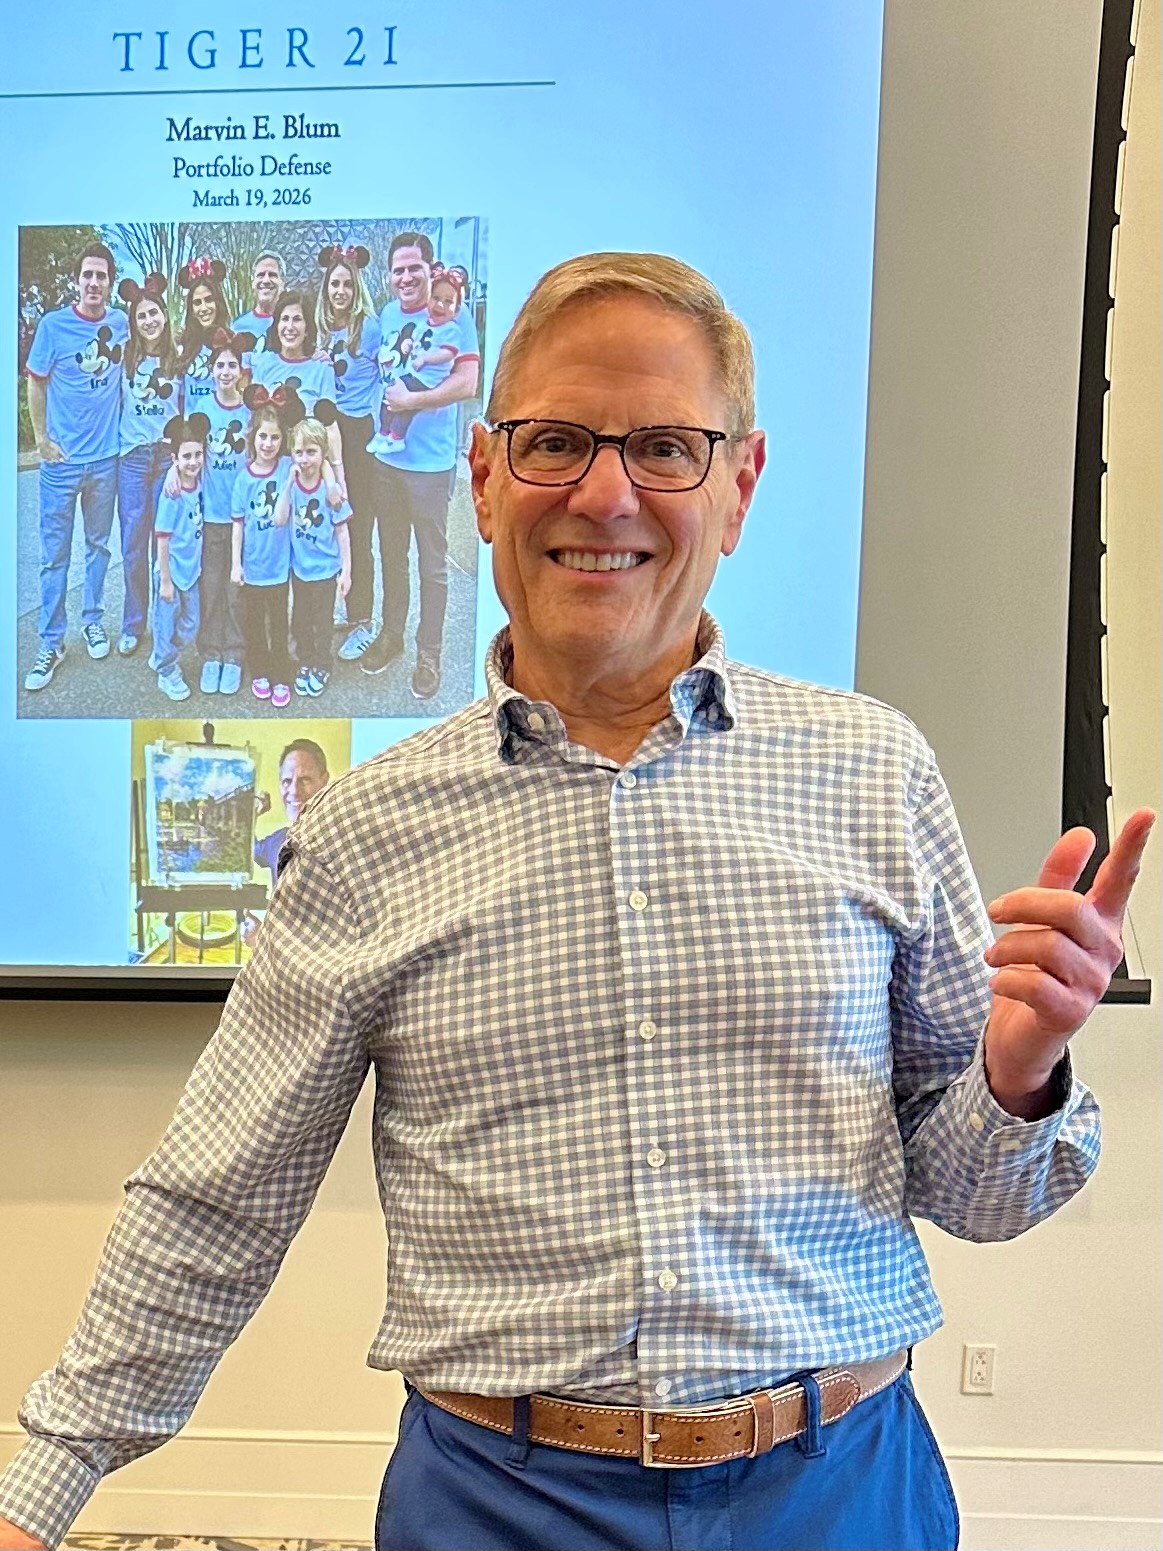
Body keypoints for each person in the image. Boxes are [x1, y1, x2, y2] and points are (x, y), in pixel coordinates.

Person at [0, 252, 1154, 1551]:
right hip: (498, 1505)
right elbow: (220, 1195)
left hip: (838, 1493)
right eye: (554, 441)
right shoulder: (367, 831)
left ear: (738, 486)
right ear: (483, 476)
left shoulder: (871, 771)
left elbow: (981, 1194)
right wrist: (41, 1492)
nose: (604, 494)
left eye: (663, 447)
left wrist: (1015, 1072)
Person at [360, 231, 480, 698]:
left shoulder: (454, 311)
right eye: (398, 270)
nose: (406, 277)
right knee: (392, 555)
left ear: (430, 270)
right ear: (389, 276)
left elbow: (467, 382)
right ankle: (391, 636)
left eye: (414, 268)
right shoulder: (388, 314)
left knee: (432, 565)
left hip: (430, 465)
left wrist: (414, 400)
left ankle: (429, 654)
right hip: (386, 462)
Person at [23, 241, 129, 691]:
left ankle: (92, 621)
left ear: (110, 282)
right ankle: (51, 642)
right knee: (54, 557)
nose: (94, 282)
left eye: (101, 275)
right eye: (87, 274)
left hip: (105, 461)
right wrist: (41, 440)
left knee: (99, 547)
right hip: (62, 465)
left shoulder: (121, 324)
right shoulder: (53, 326)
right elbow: (36, 382)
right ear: (76, 280)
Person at [313, 243, 385, 664]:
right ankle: (343, 604)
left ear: (357, 288)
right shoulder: (320, 328)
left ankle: (363, 620)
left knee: (357, 526)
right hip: (325, 428)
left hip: (358, 435)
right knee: (327, 525)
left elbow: (390, 374)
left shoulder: (370, 329)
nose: (340, 291)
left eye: (347, 284)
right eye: (334, 284)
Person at [115, 272, 181, 659]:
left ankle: (162, 622)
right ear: (134, 321)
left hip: (166, 458)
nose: (149, 320)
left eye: (154, 312)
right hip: (133, 458)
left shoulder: (178, 358)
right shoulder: (125, 356)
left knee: (163, 544)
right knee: (133, 546)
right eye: (141, 315)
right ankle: (133, 623)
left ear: (165, 315)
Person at [188, 329, 253, 695]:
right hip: (212, 515)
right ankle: (211, 651)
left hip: (242, 517)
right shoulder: (202, 410)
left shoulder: (249, 411)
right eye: (220, 365)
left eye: (232, 365)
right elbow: (189, 454)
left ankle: (235, 653)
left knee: (236, 587)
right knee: (211, 585)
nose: (225, 371)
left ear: (241, 371)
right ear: (211, 370)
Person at [276, 412, 352, 697]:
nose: (304, 459)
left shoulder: (331, 492)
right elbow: (280, 519)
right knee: (300, 620)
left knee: (323, 623)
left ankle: (322, 664)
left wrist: (346, 571)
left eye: (311, 452)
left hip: (325, 570)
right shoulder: (292, 483)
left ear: (322, 454)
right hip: (300, 570)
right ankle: (306, 660)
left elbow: (342, 532)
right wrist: (287, 484)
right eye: (299, 453)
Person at [231, 394, 295, 707]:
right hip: (254, 567)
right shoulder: (243, 479)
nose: (268, 444)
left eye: (275, 437)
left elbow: (320, 456)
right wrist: (236, 564)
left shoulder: (287, 467)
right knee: (255, 623)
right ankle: (259, 670)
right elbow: (238, 525)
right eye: (263, 436)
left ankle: (281, 673)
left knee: (280, 623)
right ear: (252, 437)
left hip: (280, 567)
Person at [251, 290, 344, 479]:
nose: (290, 327)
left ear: (307, 327)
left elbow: (330, 428)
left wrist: (339, 481)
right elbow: (254, 424)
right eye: (284, 319)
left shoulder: (322, 369)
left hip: (309, 471)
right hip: (270, 469)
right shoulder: (264, 365)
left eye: (297, 319)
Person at [368, 269, 463, 454]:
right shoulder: (424, 324)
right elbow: (416, 340)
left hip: (430, 380)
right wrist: (409, 344)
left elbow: (448, 353)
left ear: (456, 310)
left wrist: (425, 358)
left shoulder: (451, 330)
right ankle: (383, 432)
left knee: (404, 405)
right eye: (436, 298)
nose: (440, 305)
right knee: (390, 394)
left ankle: (396, 437)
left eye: (448, 302)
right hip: (415, 375)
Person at [148, 412, 208, 702]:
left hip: (191, 571)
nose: (193, 462)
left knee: (191, 622)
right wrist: (165, 580)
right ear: (175, 459)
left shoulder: (200, 482)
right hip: (170, 571)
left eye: (198, 455)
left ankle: (163, 651)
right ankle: (166, 668)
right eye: (186, 457)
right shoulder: (172, 493)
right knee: (166, 622)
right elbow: (162, 537)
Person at [176, 258, 230, 412]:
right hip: (191, 424)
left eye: (209, 300)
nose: (204, 308)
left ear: (218, 303)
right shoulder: (182, 347)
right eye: (197, 302)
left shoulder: (233, 343)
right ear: (191, 308)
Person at [232, 250, 284, 362]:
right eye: (260, 275)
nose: (266, 280)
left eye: (272, 275)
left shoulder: (291, 324)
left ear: (282, 282)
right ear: (252, 282)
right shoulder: (237, 327)